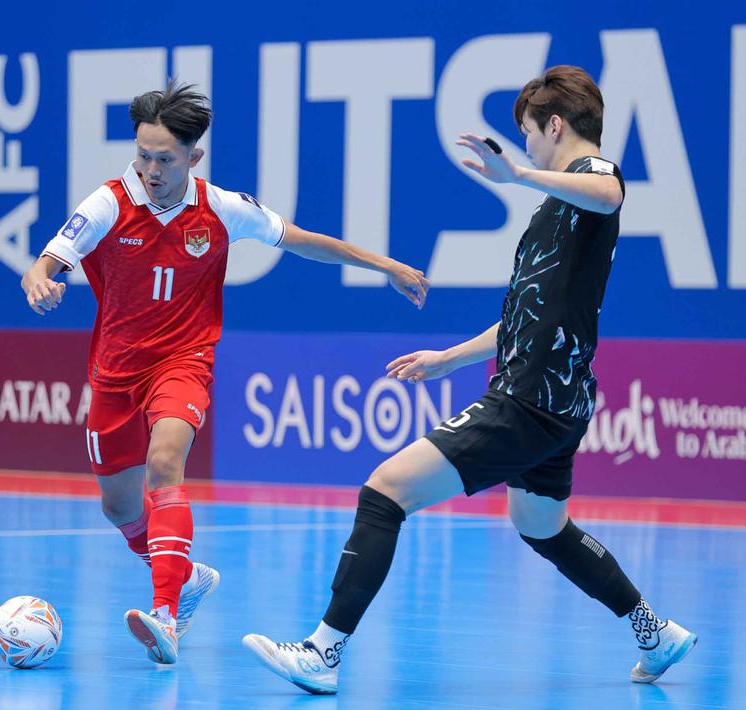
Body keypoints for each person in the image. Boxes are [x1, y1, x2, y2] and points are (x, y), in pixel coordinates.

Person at [243, 65, 697, 694]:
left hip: (530, 401)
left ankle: (323, 652)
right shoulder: (556, 211)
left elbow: (611, 189)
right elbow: (524, 314)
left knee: (385, 491)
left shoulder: (591, 181)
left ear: (555, 126)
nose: (527, 146)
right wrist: (449, 359)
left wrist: (517, 175)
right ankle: (655, 631)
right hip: (558, 402)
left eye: (529, 134)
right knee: (543, 527)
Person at [20, 80, 430, 665]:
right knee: (118, 507)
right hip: (115, 370)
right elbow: (49, 260)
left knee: (165, 462)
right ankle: (185, 578)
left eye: (164, 158)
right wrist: (40, 280)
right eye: (142, 154)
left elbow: (304, 241)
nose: (151, 169)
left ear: (194, 157)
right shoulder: (108, 203)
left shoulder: (221, 209)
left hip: (183, 361)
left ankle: (165, 612)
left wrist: (384, 264)